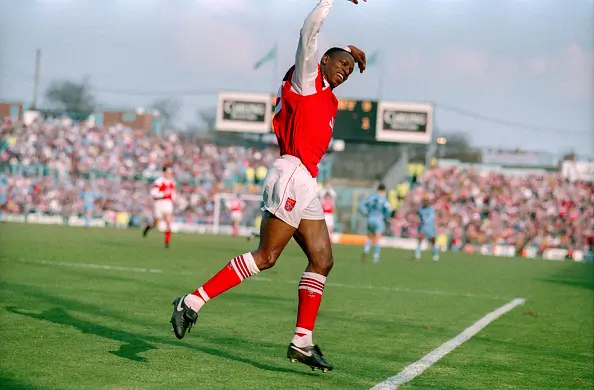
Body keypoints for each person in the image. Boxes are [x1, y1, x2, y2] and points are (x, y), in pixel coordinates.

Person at [170, 0, 368, 372]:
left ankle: (302, 341)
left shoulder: (328, 96)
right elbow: (308, 32)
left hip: (305, 180)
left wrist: (351, 53)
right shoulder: (307, 78)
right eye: (340, 64)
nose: (345, 71)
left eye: (349, 69)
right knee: (267, 256)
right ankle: (191, 302)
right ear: (322, 60)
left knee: (322, 260)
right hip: (291, 173)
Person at [143, 164, 176, 248]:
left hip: (167, 203)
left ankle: (167, 242)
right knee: (156, 224)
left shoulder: (172, 182)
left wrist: (173, 198)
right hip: (159, 203)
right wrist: (162, 194)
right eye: (168, 172)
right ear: (164, 172)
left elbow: (172, 193)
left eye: (171, 172)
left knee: (168, 221)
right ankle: (148, 227)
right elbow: (153, 193)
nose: (170, 174)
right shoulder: (159, 181)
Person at [358, 183, 393, 263]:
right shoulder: (383, 199)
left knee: (370, 237)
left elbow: (360, 206)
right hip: (378, 219)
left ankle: (365, 252)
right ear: (384, 190)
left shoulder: (371, 197)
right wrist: (386, 217)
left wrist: (365, 213)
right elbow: (389, 209)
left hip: (370, 219)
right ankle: (376, 257)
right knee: (377, 238)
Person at [415, 196, 439, 261]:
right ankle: (417, 254)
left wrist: (425, 220)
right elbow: (419, 216)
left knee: (433, 241)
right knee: (420, 239)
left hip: (430, 227)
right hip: (423, 226)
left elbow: (431, 218)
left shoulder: (431, 209)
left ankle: (435, 254)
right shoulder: (421, 209)